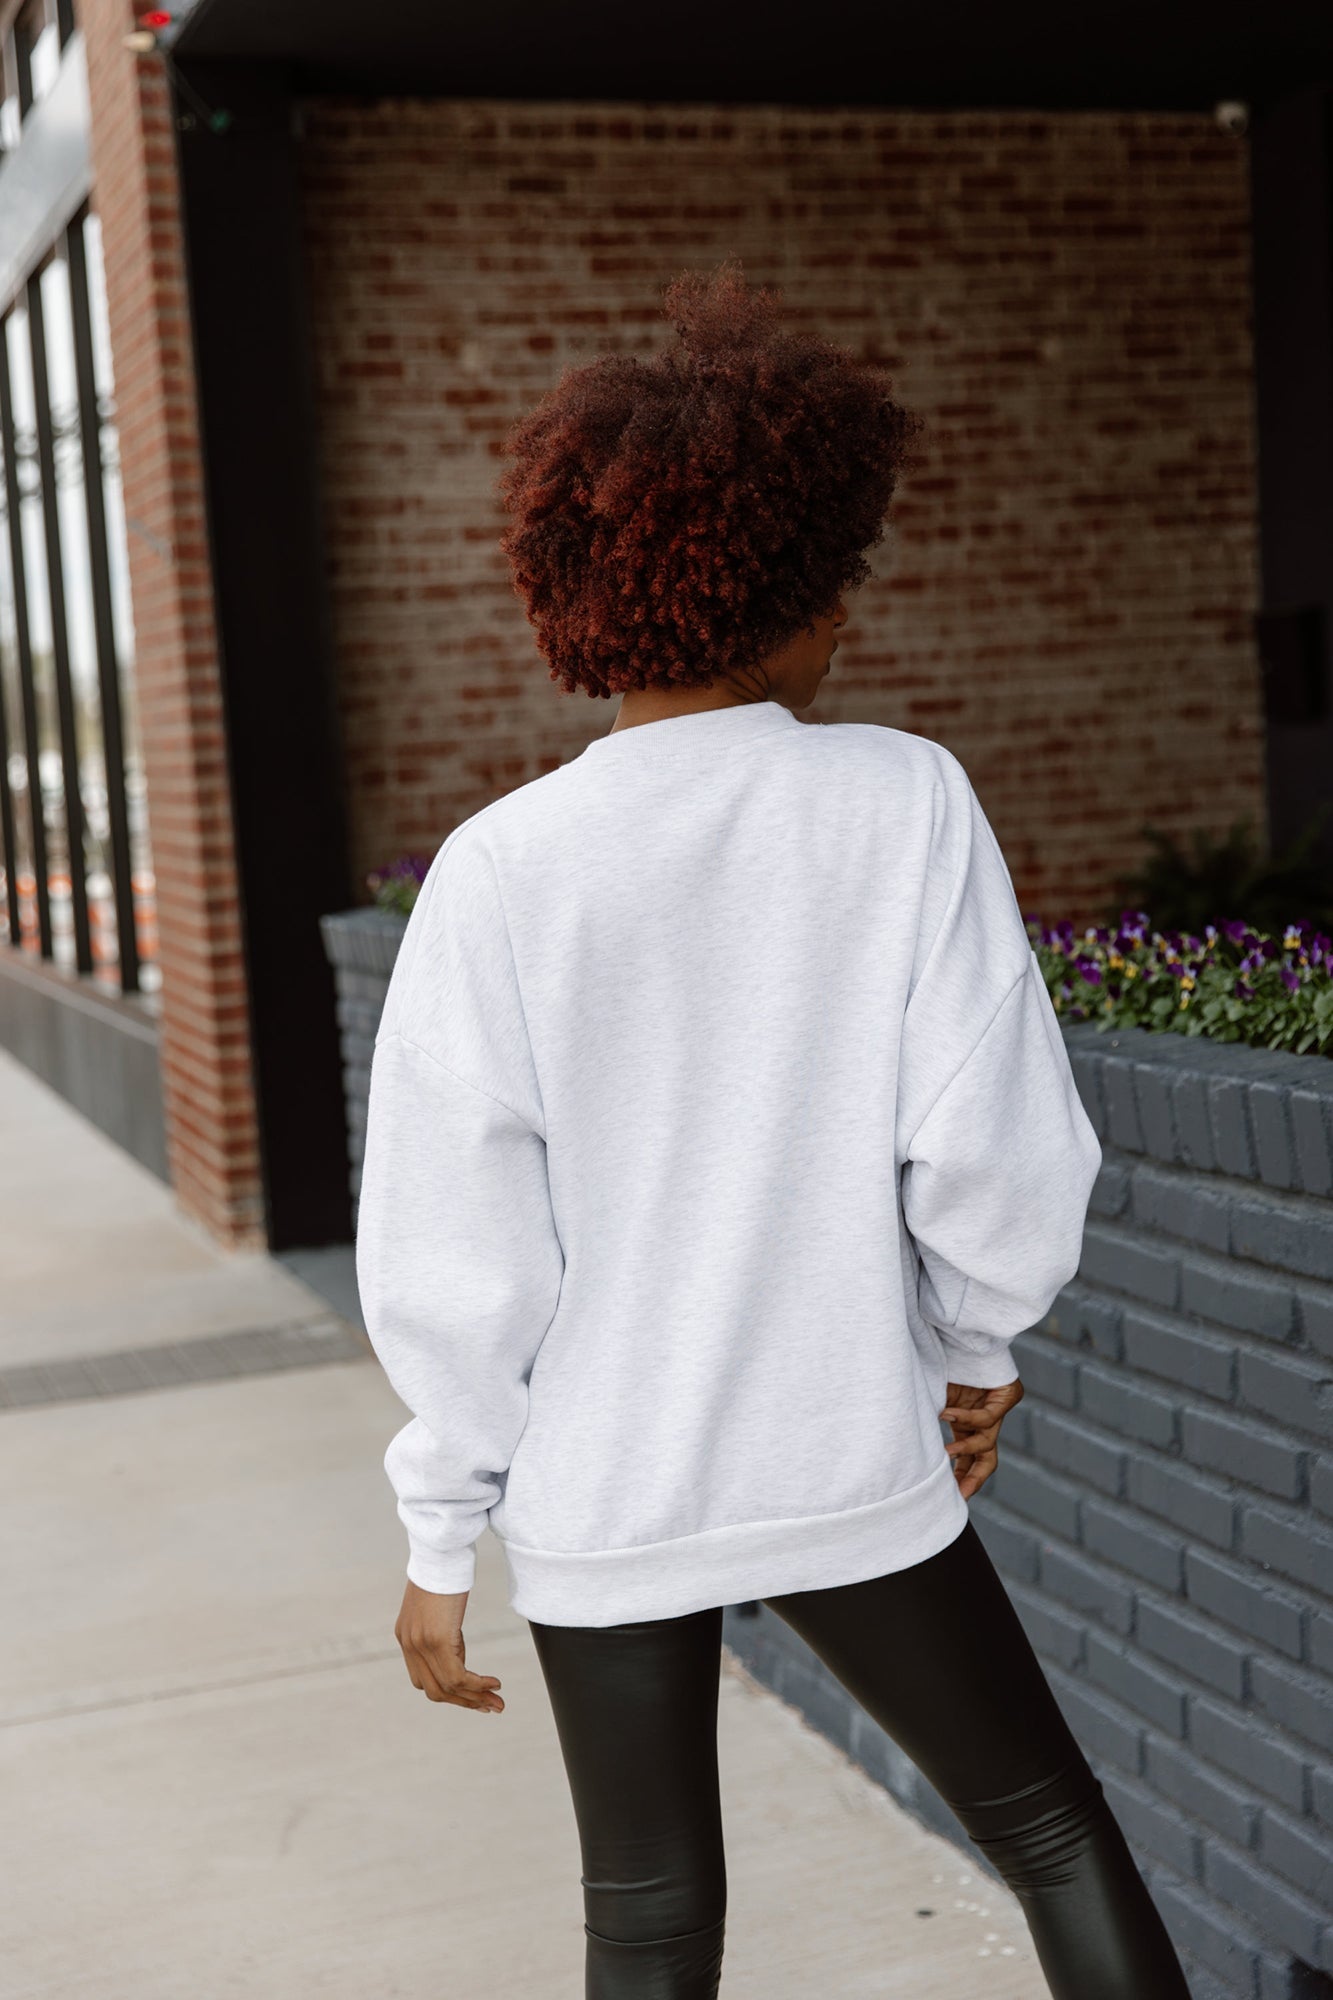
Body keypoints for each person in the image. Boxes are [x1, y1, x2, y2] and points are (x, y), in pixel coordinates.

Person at [354, 262, 1192, 1998]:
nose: (848, 621)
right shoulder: (901, 802)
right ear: (769, 583)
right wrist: (971, 1350)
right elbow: (994, 1149)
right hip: (844, 1458)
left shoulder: (498, 871)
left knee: (650, 1920)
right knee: (1050, 1834)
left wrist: (442, 1533)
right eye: (837, 581)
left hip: (601, 1490)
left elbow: (456, 1248)